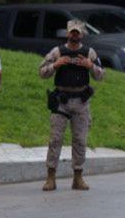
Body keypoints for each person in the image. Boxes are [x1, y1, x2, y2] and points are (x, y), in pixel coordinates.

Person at [39, 18, 103, 191]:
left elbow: (101, 75)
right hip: (61, 101)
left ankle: (78, 177)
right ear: (67, 33)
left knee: (80, 140)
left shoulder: (89, 52)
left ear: (81, 34)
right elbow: (42, 72)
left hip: (81, 101)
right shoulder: (57, 51)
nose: (74, 35)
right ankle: (51, 177)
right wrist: (55, 65)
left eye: (77, 32)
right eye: (72, 31)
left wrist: (90, 66)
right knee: (55, 139)